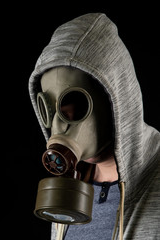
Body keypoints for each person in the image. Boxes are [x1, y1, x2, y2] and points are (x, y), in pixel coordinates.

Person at [28, 13, 160, 239]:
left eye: (78, 108)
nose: (61, 127)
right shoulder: (69, 196)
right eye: (51, 109)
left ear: (116, 100)